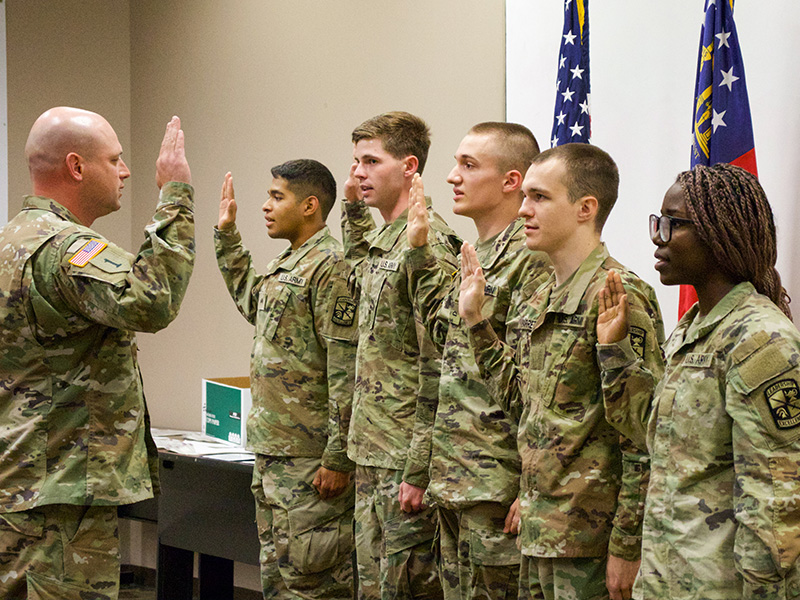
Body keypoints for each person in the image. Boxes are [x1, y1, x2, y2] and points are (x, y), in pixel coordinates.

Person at [0, 107, 193, 599]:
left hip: (21, 479)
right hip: (60, 492)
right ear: (76, 167)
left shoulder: (9, 243)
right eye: (116, 159)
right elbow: (151, 301)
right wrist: (174, 195)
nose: (126, 171)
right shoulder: (66, 249)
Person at [459, 143, 665, 600]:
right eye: (525, 196)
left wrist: (628, 545)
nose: (523, 210)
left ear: (584, 209)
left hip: (590, 544)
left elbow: (641, 435)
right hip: (539, 533)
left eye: (539, 197)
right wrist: (477, 323)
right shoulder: (540, 296)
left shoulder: (617, 294)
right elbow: (523, 404)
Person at [597, 163, 800, 599]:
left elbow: (776, 503)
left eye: (673, 224)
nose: (658, 236)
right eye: (658, 222)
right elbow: (655, 437)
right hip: (666, 582)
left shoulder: (761, 341)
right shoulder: (691, 330)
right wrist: (616, 353)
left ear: (718, 233)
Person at [404, 122, 551, 600]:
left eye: (468, 165)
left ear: (512, 180)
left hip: (498, 486)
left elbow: (544, 389)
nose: (452, 176)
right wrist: (421, 251)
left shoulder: (532, 261)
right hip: (456, 480)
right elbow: (444, 356)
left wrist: (532, 486)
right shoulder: (476, 255)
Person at [215, 160, 358, 599]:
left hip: (310, 459)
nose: (265, 206)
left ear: (310, 205)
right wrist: (227, 237)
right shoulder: (291, 261)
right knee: (278, 580)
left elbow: (345, 364)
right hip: (275, 451)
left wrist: (337, 457)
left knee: (312, 584)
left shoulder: (331, 265)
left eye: (278, 197)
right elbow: (254, 303)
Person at [341, 111, 461, 600]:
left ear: (410, 166)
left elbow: (438, 363)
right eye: (355, 162)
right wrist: (351, 211)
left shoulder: (428, 243)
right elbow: (359, 282)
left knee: (405, 587)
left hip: (403, 459)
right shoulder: (383, 240)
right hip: (371, 450)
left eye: (372, 161)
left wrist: (418, 468)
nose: (358, 173)